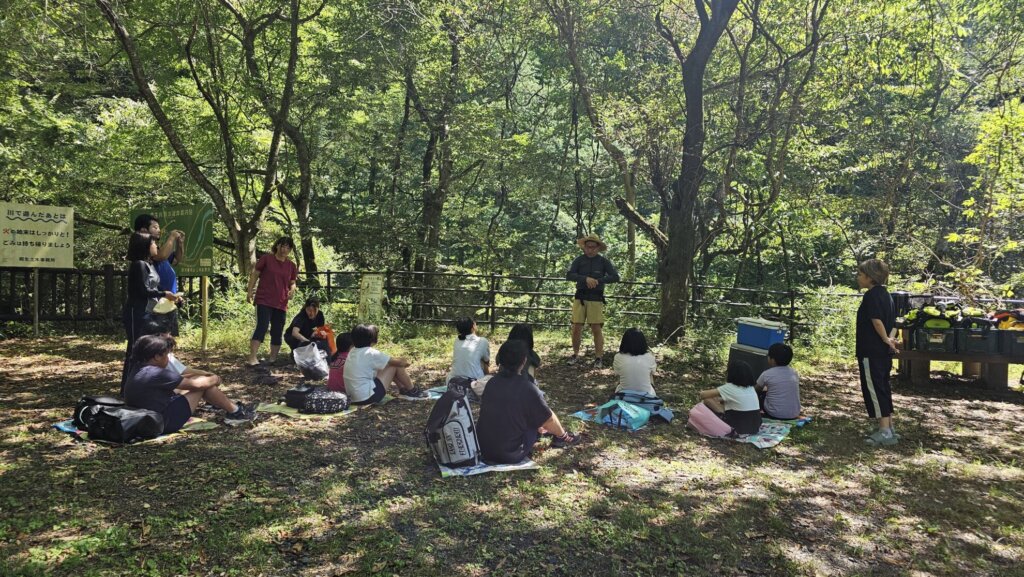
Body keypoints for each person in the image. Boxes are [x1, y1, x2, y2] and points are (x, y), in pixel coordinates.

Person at [477, 340, 581, 464]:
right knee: (544, 416)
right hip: (510, 453)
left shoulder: (492, 382)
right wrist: (562, 434)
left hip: (484, 448)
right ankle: (563, 437)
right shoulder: (527, 388)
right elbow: (549, 419)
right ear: (524, 361)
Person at [125, 334, 255, 431]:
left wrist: (201, 375)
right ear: (157, 357)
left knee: (200, 381)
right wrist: (215, 378)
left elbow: (179, 379)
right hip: (163, 422)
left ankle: (229, 408)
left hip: (147, 419)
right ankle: (236, 412)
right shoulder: (157, 373)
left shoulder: (139, 368)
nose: (168, 359)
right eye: (166, 355)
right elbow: (197, 385)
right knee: (203, 386)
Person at [121, 232, 181, 393]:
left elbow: (155, 288)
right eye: (153, 243)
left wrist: (171, 297)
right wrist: (164, 294)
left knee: (148, 349)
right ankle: (128, 390)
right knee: (136, 350)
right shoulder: (139, 264)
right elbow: (143, 290)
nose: (156, 246)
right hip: (137, 312)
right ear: (145, 246)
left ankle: (146, 386)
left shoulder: (150, 264)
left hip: (149, 312)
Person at [856, 258, 899, 446]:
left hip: (871, 351)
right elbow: (894, 323)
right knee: (883, 386)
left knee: (874, 388)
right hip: (883, 352)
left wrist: (886, 339)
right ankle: (889, 427)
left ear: (870, 277)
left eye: (860, 274)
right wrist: (890, 340)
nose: (858, 277)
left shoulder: (871, 296)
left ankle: (884, 431)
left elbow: (876, 321)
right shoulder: (886, 295)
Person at [565, 234, 619, 367]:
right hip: (580, 297)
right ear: (584, 247)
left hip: (596, 297)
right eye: (588, 247)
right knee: (576, 327)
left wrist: (598, 281)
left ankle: (598, 357)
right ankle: (575, 354)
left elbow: (615, 277)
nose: (590, 249)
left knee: (596, 328)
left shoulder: (603, 261)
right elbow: (569, 275)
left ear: (598, 248)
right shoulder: (579, 260)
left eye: (593, 247)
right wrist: (585, 279)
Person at [245, 237, 298, 366]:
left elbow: (292, 282)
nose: (284, 249)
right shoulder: (266, 259)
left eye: (288, 247)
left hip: (281, 302)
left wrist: (292, 290)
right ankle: (252, 358)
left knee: (277, 330)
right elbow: (255, 274)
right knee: (262, 327)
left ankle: (272, 359)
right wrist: (250, 291)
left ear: (290, 250)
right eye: (282, 246)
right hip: (264, 299)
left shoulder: (291, 265)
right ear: (277, 246)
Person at [343, 324, 427, 405]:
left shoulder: (353, 350)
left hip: (354, 398)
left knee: (387, 364)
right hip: (367, 397)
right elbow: (402, 363)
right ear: (373, 339)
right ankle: (412, 390)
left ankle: (404, 390)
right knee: (394, 365)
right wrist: (405, 360)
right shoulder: (370, 353)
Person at [133, 214, 185, 335]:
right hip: (156, 302)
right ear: (144, 230)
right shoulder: (146, 249)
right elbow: (161, 256)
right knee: (157, 337)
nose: (159, 230)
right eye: (155, 227)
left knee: (167, 337)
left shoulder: (158, 248)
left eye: (158, 227)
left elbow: (176, 260)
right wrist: (172, 237)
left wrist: (180, 244)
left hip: (168, 301)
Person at [699, 360, 762, 436]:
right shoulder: (751, 388)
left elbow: (703, 395)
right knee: (722, 401)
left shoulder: (729, 387)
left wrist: (716, 398)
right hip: (754, 427)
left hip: (738, 428)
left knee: (708, 400)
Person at [756, 343, 801, 420]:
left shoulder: (767, 374)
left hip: (774, 414)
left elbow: (756, 389)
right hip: (794, 413)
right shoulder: (794, 372)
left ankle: (755, 412)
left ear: (772, 360)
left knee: (760, 394)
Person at [612, 328, 657, 395]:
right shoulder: (650, 357)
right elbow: (652, 373)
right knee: (649, 374)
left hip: (623, 394)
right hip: (647, 394)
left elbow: (618, 374)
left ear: (624, 342)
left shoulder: (618, 357)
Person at [447, 317, 490, 384]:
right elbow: (486, 360)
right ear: (473, 327)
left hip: (453, 381)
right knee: (483, 361)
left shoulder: (457, 341)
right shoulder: (482, 341)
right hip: (474, 383)